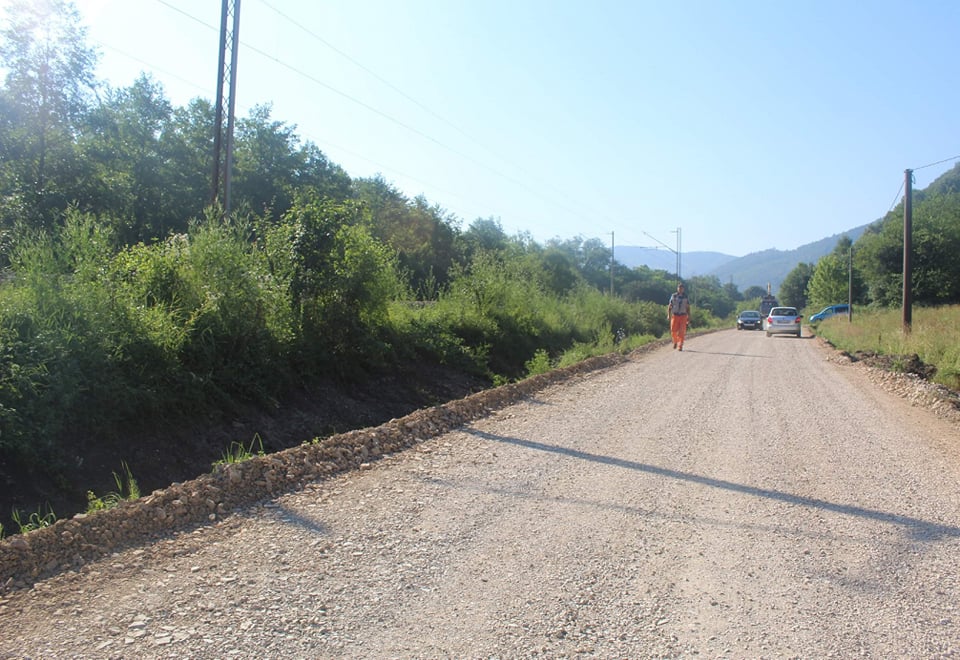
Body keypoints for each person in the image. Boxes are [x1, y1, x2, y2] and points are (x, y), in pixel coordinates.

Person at [667, 282, 690, 350]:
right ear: (677, 288)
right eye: (679, 288)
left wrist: (689, 316)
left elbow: (688, 307)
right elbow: (670, 306)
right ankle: (675, 341)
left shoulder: (686, 297)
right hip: (675, 315)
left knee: (682, 331)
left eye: (681, 288)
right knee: (673, 330)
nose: (680, 289)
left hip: (683, 316)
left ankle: (680, 345)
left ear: (683, 289)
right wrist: (669, 315)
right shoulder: (673, 296)